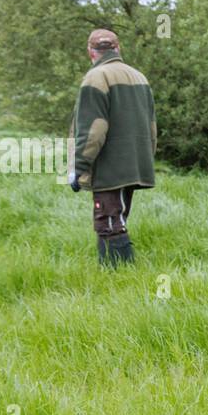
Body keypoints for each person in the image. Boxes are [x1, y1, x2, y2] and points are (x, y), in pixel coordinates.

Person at [69, 29, 157, 265]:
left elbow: (94, 129)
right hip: (136, 163)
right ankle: (117, 278)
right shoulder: (139, 77)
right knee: (118, 217)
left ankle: (118, 277)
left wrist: (78, 167)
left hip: (110, 167)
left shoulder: (96, 78)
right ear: (118, 49)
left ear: (91, 52)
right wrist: (146, 158)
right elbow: (152, 127)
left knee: (109, 222)